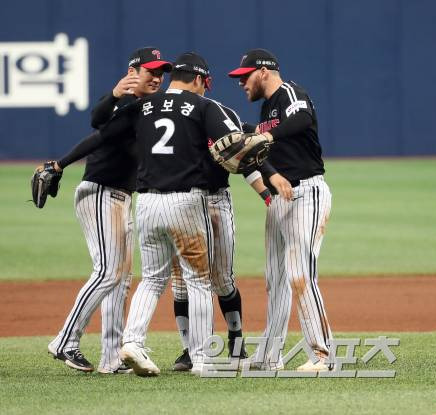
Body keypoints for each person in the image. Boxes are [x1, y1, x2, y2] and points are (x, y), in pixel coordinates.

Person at [53, 51, 278, 376]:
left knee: (153, 279)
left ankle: (132, 343)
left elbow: (100, 132)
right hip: (187, 201)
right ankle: (201, 358)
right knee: (199, 280)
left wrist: (59, 163)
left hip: (145, 203)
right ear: (200, 80)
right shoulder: (203, 107)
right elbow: (235, 146)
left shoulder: (142, 106)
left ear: (174, 78)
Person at [47, 47, 172, 374]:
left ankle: (111, 358)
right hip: (100, 192)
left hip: (120, 196)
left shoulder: (144, 107)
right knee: (108, 272)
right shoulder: (127, 104)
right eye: (150, 71)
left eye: (161, 72)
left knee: (120, 279)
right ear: (133, 73)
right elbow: (97, 128)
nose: (157, 77)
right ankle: (65, 341)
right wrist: (60, 164)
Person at [228, 49, 333, 371]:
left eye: (245, 76)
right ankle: (270, 356)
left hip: (307, 192)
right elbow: (263, 154)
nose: (241, 83)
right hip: (280, 199)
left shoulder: (290, 93)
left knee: (301, 274)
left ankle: (323, 355)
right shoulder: (265, 109)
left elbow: (302, 120)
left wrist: (265, 134)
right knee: (276, 278)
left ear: (263, 71)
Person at [168, 55, 275, 371]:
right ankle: (189, 350)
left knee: (222, 278)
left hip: (215, 200)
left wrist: (267, 195)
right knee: (181, 282)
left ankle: (236, 341)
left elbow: (243, 161)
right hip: (181, 202)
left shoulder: (219, 112)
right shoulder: (168, 113)